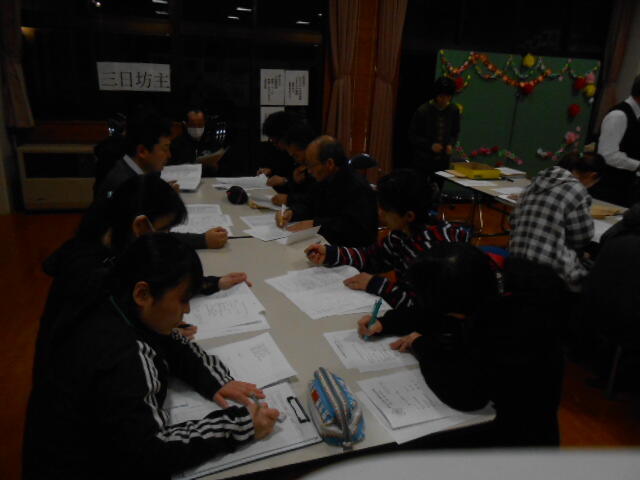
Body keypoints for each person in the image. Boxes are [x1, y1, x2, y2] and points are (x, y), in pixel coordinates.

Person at [23, 234, 279, 479]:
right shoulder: (123, 356)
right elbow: (148, 452)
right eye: (183, 300)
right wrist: (239, 425)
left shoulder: (111, 296)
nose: (187, 310)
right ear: (143, 294)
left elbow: (169, 340)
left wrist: (213, 380)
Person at [34, 175, 250, 381]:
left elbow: (158, 282)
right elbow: (120, 336)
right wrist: (159, 328)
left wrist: (211, 283)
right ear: (140, 226)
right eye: (165, 230)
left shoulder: (112, 241)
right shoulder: (93, 277)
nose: (167, 239)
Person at [358, 244, 565, 447]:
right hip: (489, 407)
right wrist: (386, 323)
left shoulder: (516, 326)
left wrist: (421, 345)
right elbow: (432, 313)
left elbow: (465, 395)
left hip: (514, 435)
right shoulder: (478, 277)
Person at [304, 169, 470, 309]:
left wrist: (375, 284)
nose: (380, 213)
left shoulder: (431, 250)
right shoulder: (403, 232)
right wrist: (333, 254)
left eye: (385, 209)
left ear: (409, 215)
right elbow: (373, 257)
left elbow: (419, 306)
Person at [96, 110, 227, 250]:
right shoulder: (124, 184)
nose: (169, 155)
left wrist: (163, 193)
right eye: (165, 148)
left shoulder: (130, 171)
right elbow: (151, 237)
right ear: (142, 151)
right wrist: (203, 240)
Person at [509, 152, 605, 291]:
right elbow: (581, 238)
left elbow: (513, 220)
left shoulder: (533, 184)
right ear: (592, 176)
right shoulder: (577, 191)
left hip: (516, 263)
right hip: (550, 272)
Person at [276, 136, 378, 247]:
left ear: (329, 163)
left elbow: (353, 227)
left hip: (348, 250)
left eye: (311, 166)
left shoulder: (357, 187)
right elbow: (310, 203)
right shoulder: (325, 177)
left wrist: (316, 224)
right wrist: (292, 213)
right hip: (323, 241)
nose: (309, 171)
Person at [594, 74, 640, 207]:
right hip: (610, 189)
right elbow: (608, 155)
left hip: (628, 186)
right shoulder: (618, 116)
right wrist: (638, 165)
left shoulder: (637, 115)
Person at [409, 76, 460, 186]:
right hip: (423, 161)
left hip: (442, 162)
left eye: (448, 97)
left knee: (438, 189)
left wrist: (450, 144)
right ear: (436, 95)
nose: (444, 100)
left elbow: (455, 132)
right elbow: (413, 136)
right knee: (422, 189)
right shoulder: (423, 111)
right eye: (441, 96)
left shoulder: (453, 110)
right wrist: (430, 146)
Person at [169, 107, 232, 177]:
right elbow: (172, 169)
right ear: (186, 124)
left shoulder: (211, 140)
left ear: (204, 122)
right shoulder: (176, 144)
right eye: (192, 124)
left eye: (200, 124)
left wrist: (216, 167)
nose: (196, 128)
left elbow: (224, 166)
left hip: (208, 179)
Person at [268, 122, 316, 206]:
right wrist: (294, 182)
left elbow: (317, 201)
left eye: (296, 156)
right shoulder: (301, 167)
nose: (295, 160)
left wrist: (289, 199)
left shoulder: (320, 168)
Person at [256, 110, 299, 181]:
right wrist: (270, 170)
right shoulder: (277, 150)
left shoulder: (304, 151)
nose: (275, 145)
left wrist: (285, 180)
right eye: (271, 141)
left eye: (275, 142)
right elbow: (280, 166)